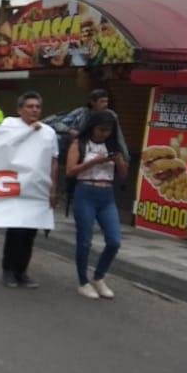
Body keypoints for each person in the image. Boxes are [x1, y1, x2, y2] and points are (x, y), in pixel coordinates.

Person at [66, 110, 128, 299]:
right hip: (85, 192)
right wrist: (93, 162)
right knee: (85, 241)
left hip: (107, 194)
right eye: (101, 130)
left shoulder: (113, 145)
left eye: (108, 131)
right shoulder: (80, 143)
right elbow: (70, 171)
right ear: (92, 127)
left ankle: (99, 276)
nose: (104, 134)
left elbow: (123, 176)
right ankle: (83, 281)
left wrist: (118, 161)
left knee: (114, 240)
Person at [0, 91, 59, 288]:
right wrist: (28, 131)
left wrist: (53, 188)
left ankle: (22, 271)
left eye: (38, 107)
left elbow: (53, 162)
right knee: (16, 231)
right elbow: (1, 146)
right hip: (15, 188)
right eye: (30, 106)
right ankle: (8, 270)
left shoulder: (48, 132)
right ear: (19, 109)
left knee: (30, 233)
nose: (34, 110)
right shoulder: (9, 124)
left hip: (38, 190)